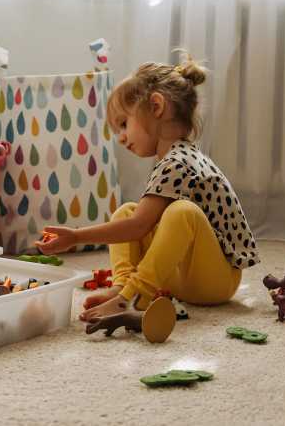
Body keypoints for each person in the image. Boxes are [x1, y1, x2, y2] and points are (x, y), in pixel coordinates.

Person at [35, 53, 260, 321]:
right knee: (126, 211)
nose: (121, 138)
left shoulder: (178, 162)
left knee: (181, 212)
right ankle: (124, 286)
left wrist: (76, 236)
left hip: (215, 283)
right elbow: (138, 222)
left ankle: (129, 296)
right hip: (180, 278)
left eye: (123, 124)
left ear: (156, 106)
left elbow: (140, 227)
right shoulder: (172, 158)